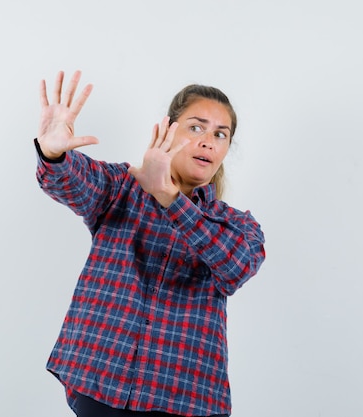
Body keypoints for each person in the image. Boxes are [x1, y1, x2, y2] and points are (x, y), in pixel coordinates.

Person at [34, 70, 266, 417]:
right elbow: (73, 181)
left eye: (221, 134)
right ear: (169, 129)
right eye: (197, 127)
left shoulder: (236, 224)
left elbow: (234, 268)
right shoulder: (122, 186)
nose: (208, 141)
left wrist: (170, 197)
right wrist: (53, 155)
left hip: (183, 397)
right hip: (102, 384)